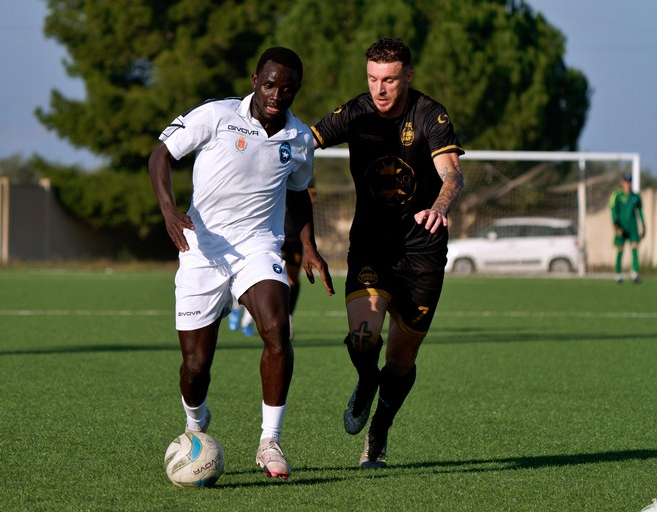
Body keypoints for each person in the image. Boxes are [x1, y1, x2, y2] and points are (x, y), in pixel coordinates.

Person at [148, 47, 334, 481]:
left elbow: (297, 193)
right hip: (202, 249)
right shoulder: (215, 115)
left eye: (286, 89)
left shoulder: (300, 138)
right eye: (269, 84)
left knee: (277, 328)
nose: (276, 94)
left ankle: (269, 440)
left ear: (295, 91)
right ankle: (195, 425)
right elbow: (161, 155)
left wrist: (308, 245)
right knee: (195, 368)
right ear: (255, 79)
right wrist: (169, 211)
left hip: (258, 248)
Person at [310, 37, 465, 469]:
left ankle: (378, 433)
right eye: (373, 79)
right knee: (364, 337)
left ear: (408, 76)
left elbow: (452, 173)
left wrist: (439, 206)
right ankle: (364, 381)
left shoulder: (430, 114)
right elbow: (304, 139)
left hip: (423, 250)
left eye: (390, 80)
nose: (380, 89)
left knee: (399, 359)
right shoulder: (356, 112)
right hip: (372, 246)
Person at [281, 178, 317, 341]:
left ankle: (288, 317)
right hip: (270, 233)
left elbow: (312, 200)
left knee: (291, 280)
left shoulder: (304, 171)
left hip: (293, 235)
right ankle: (244, 313)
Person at [610, 172, 646, 284]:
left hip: (633, 227)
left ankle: (635, 274)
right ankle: (618, 275)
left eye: (629, 181)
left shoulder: (636, 197)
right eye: (626, 181)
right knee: (620, 251)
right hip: (621, 227)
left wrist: (643, 226)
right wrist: (616, 226)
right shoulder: (617, 196)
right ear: (622, 182)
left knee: (634, 249)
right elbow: (613, 212)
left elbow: (640, 212)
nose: (627, 184)